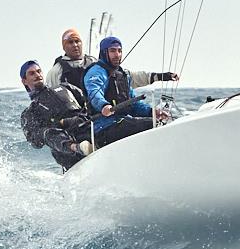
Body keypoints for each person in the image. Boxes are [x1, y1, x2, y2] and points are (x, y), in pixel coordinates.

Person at [84, 36, 178, 147]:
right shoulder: (96, 72)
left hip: (122, 122)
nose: (117, 55)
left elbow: (133, 103)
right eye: (112, 51)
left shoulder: (123, 74)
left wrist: (152, 112)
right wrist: (104, 106)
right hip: (102, 127)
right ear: (104, 52)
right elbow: (94, 93)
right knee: (152, 124)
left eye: (119, 51)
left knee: (161, 122)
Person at [46, 28, 176, 94]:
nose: (75, 45)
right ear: (64, 46)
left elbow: (129, 78)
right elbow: (51, 99)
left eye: (77, 41)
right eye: (70, 42)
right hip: (75, 122)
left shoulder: (94, 63)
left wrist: (160, 76)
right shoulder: (56, 71)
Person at [19, 60, 93, 170]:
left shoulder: (66, 87)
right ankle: (76, 147)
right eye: (32, 73)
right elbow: (36, 142)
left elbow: (89, 103)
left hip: (84, 128)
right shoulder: (30, 112)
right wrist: (60, 123)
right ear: (24, 81)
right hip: (68, 152)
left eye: (39, 71)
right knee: (46, 133)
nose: (37, 75)